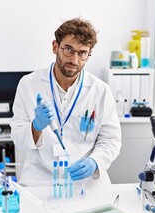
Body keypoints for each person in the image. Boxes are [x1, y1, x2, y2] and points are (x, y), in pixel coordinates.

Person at [10, 18, 121, 186]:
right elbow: (17, 137)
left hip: (85, 181)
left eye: (82, 53)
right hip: (40, 179)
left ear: (88, 54)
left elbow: (111, 139)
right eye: (68, 49)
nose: (74, 60)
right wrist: (36, 126)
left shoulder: (100, 90)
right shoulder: (28, 84)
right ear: (55, 47)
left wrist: (95, 161)